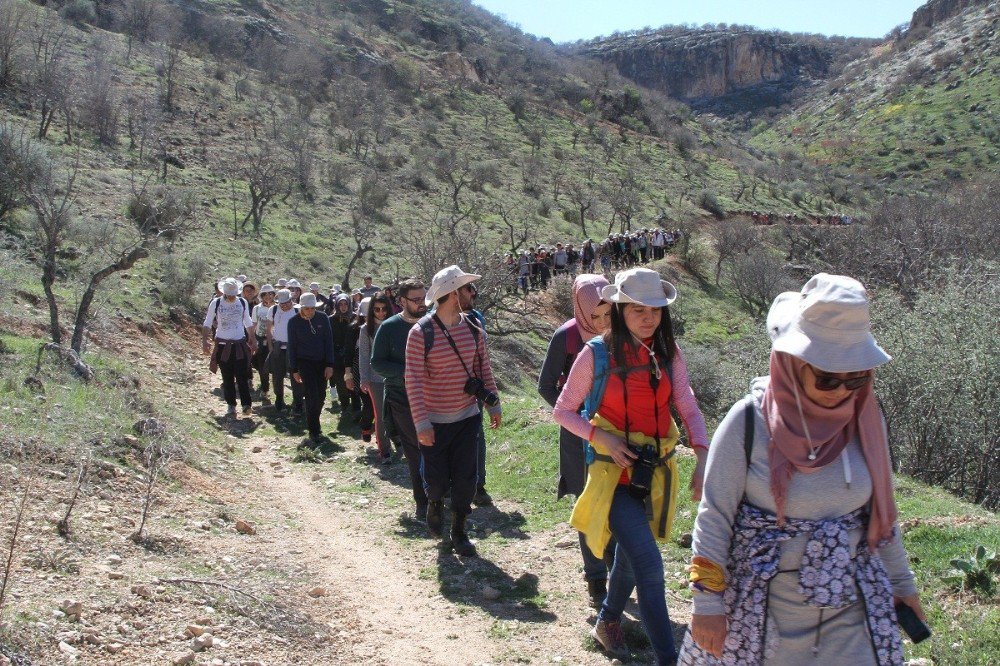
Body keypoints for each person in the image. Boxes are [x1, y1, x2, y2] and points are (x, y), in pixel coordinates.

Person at [678, 274, 924, 666]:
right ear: (792, 363)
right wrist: (707, 604)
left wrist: (901, 583)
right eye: (827, 376)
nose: (842, 390)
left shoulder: (866, 419)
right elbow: (714, 518)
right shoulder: (748, 422)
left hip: (852, 608)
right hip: (764, 613)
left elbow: (881, 516)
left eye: (856, 377)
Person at [553, 267, 709, 664]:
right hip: (612, 474)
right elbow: (564, 411)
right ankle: (668, 659)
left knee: (630, 553)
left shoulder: (668, 352)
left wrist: (703, 454)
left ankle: (607, 621)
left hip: (653, 471)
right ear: (620, 308)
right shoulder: (596, 353)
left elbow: (687, 403)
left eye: (655, 308)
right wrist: (599, 436)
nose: (648, 317)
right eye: (637, 308)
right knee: (651, 568)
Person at [405, 266, 502, 557]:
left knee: (465, 478)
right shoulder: (420, 333)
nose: (472, 293)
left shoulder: (474, 328)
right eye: (466, 288)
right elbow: (412, 380)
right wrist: (421, 423)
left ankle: (459, 530)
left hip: (467, 419)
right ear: (452, 294)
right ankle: (434, 503)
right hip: (434, 421)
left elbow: (483, 369)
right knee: (435, 481)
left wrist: (493, 403)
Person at [538, 274, 616, 607]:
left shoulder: (621, 335)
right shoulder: (567, 336)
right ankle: (596, 577)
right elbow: (545, 386)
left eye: (607, 315)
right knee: (589, 502)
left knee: (615, 502)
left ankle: (615, 564)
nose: (600, 324)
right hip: (578, 435)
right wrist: (577, 415)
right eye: (593, 316)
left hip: (615, 433)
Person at [371, 278, 430, 520]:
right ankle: (422, 501)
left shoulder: (435, 324)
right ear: (402, 301)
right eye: (415, 300)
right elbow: (378, 363)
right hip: (401, 396)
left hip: (435, 397)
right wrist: (407, 373)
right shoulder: (390, 327)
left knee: (437, 447)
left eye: (424, 298)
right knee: (415, 449)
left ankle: (438, 493)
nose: (421, 304)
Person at [202, 278, 257, 418]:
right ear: (224, 292)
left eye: (234, 294)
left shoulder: (242, 302)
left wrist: (253, 337)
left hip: (239, 344)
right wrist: (204, 341)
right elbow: (208, 322)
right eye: (229, 294)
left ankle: (246, 404)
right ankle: (231, 405)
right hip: (222, 345)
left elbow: (248, 322)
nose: (232, 297)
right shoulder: (216, 303)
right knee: (227, 377)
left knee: (242, 376)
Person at [287, 293, 336, 444]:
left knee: (321, 395)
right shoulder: (293, 322)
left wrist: (330, 364)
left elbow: (328, 341)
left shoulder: (322, 318)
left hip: (321, 362)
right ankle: (313, 430)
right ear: (301, 308)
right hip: (304, 362)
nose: (309, 311)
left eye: (312, 308)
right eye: (306, 308)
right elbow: (292, 346)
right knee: (311, 395)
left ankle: (316, 422)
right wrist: (294, 369)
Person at [358, 292, 393, 460]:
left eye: (384, 309)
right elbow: (364, 355)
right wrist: (364, 378)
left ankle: (400, 442)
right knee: (380, 414)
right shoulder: (366, 329)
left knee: (397, 412)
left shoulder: (395, 324)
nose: (381, 313)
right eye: (377, 309)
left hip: (395, 376)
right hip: (375, 378)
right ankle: (384, 449)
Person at [266, 289, 303, 414]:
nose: (285, 305)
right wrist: (270, 346)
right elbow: (269, 328)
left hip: (294, 349)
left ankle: (298, 402)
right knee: (277, 375)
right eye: (282, 303)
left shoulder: (298, 310)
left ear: (291, 300)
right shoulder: (273, 310)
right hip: (278, 348)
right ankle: (279, 399)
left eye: (287, 302)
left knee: (296, 376)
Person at [328, 294, 356, 413]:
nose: (343, 307)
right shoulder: (331, 319)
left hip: (352, 354)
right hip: (337, 354)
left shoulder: (355, 318)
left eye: (346, 304)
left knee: (354, 379)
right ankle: (344, 404)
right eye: (341, 304)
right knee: (340, 381)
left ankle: (355, 406)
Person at [251, 284, 276, 405]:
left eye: (270, 293)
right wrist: (251, 338)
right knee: (260, 365)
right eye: (265, 294)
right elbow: (254, 324)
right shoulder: (256, 308)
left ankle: (276, 390)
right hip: (260, 339)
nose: (268, 296)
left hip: (274, 339)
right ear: (261, 295)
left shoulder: (277, 308)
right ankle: (265, 388)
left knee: (274, 366)